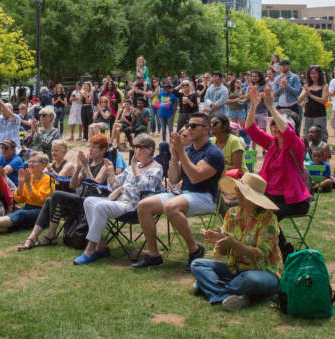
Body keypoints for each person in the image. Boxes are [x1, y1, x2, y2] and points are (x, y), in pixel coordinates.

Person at [133, 115, 225, 270]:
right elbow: (174, 179)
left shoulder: (213, 153)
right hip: (184, 194)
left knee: (170, 206)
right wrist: (175, 157)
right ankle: (154, 255)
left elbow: (195, 177)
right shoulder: (188, 150)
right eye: (188, 125)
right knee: (144, 205)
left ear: (206, 129)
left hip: (205, 197)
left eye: (194, 126)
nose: (189, 128)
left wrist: (181, 152)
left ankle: (195, 250)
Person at [190, 172, 284, 311]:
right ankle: (231, 296)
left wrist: (233, 243)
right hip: (236, 270)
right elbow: (223, 254)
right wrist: (222, 243)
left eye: (243, 191)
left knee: (249, 280)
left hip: (263, 272)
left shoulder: (268, 218)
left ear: (255, 198)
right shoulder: (231, 213)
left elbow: (260, 254)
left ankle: (211, 288)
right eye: (238, 189)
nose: (238, 194)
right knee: (197, 264)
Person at [74, 133, 164, 264]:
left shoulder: (156, 168)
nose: (135, 150)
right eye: (134, 147)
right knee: (89, 201)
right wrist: (111, 171)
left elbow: (144, 187)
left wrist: (134, 167)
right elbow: (114, 186)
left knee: (100, 206)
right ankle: (101, 246)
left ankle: (90, 250)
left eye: (139, 147)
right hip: (119, 202)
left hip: (135, 205)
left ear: (150, 149)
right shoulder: (133, 167)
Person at [243, 85, 310, 256]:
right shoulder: (272, 143)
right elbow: (250, 129)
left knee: (266, 215)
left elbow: (287, 132)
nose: (273, 126)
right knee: (247, 208)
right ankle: (258, 248)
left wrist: (271, 107)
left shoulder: (296, 145)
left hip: (294, 202)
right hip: (271, 196)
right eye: (272, 123)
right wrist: (253, 105)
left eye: (277, 122)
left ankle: (285, 251)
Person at [0, 152, 53, 238]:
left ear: (43, 165)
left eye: (34, 162)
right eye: (30, 161)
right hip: (28, 207)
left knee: (20, 214)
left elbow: (38, 200)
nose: (30, 164)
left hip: (42, 211)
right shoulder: (30, 177)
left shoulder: (48, 179)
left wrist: (28, 184)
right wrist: (21, 183)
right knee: (18, 222)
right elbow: (19, 199)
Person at [298, 65, 329, 142]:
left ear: (319, 74)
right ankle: (308, 153)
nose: (313, 75)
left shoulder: (324, 86)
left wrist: (310, 95)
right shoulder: (307, 85)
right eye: (311, 73)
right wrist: (306, 92)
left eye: (315, 73)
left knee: (321, 136)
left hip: (320, 115)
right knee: (307, 136)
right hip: (308, 115)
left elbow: (324, 101)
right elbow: (299, 99)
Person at [273, 60, 302, 136]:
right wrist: (280, 88)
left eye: (284, 65)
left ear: (289, 66)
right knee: (280, 128)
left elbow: (296, 92)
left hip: (292, 106)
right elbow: (274, 94)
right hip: (280, 106)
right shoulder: (278, 78)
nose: (282, 67)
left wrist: (287, 86)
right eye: (281, 66)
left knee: (294, 128)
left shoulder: (294, 77)